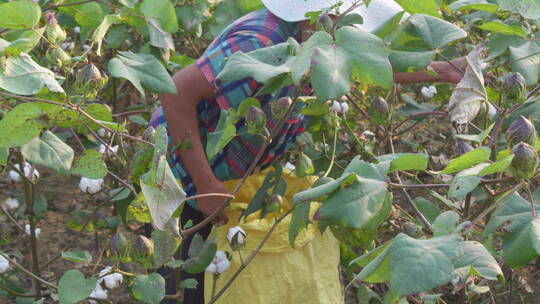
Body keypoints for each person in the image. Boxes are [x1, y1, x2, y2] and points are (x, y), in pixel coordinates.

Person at [149, 0, 467, 302]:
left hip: (237, 166)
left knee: (221, 272)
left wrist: (445, 70)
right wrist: (205, 187)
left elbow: (368, 63)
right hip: (184, 170)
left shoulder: (323, 42)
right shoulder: (257, 43)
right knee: (186, 280)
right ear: (318, 18)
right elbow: (176, 93)